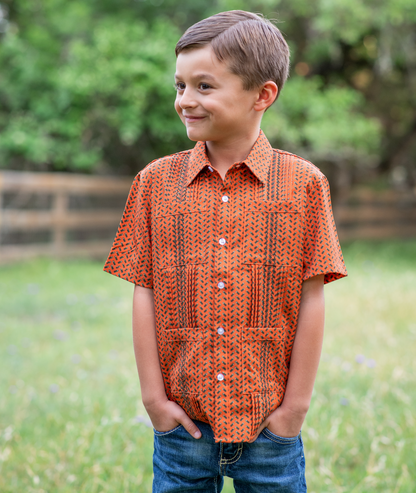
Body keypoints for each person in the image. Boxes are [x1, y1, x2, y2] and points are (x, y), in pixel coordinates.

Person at [104, 10, 347, 492]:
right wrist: (155, 402)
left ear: (263, 95)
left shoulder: (304, 185)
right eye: (180, 86)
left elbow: (312, 298)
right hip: (182, 429)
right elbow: (144, 291)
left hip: (269, 430)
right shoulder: (154, 184)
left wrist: (293, 410)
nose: (185, 101)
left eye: (204, 86)